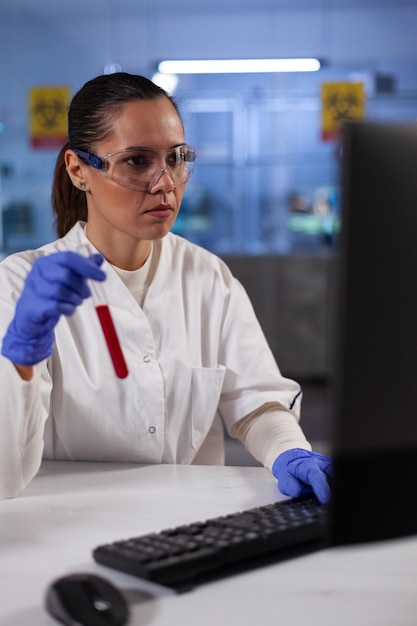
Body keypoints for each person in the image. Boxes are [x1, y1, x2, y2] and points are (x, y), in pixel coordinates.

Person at [0, 72, 331, 501]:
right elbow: (4, 473)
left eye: (175, 158)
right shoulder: (21, 284)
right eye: (137, 161)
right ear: (79, 169)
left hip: (191, 526)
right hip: (70, 527)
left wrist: (290, 452)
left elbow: (255, 399)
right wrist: (22, 355)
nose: (166, 183)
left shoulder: (207, 275)